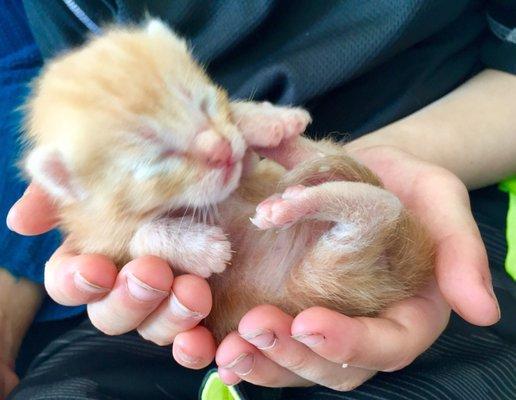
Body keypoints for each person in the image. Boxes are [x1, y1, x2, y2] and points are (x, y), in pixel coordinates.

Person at [1, 0, 515, 399]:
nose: (216, 145)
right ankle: (356, 215)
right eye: (161, 156)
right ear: (68, 183)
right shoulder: (92, 183)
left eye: (206, 106)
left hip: (452, 178)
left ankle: (359, 214)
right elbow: (123, 244)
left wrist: (240, 118)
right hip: (236, 312)